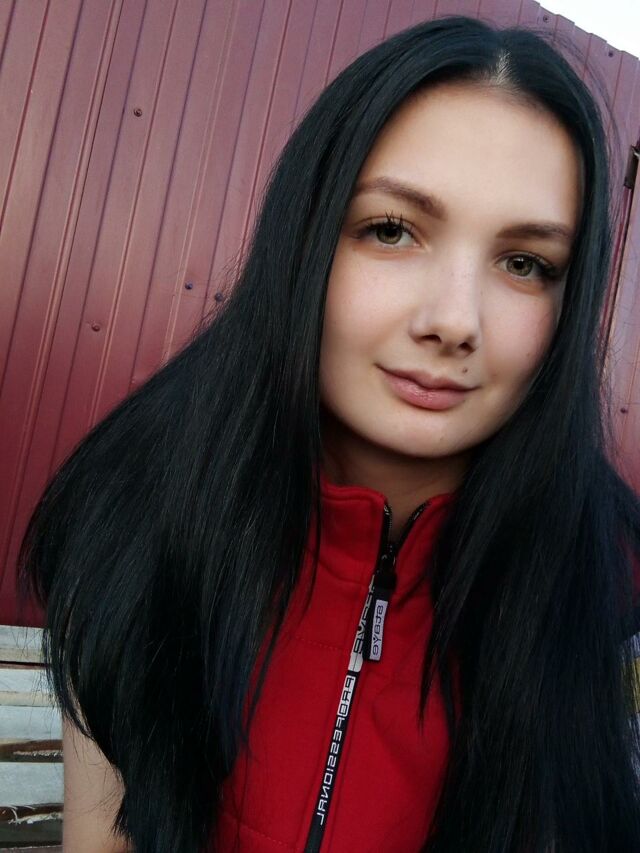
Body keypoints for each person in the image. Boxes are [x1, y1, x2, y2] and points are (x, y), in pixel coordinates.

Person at [16, 13, 640, 853]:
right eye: (392, 229)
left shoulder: (612, 594)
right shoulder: (137, 513)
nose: (455, 320)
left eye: (524, 263)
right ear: (306, 235)